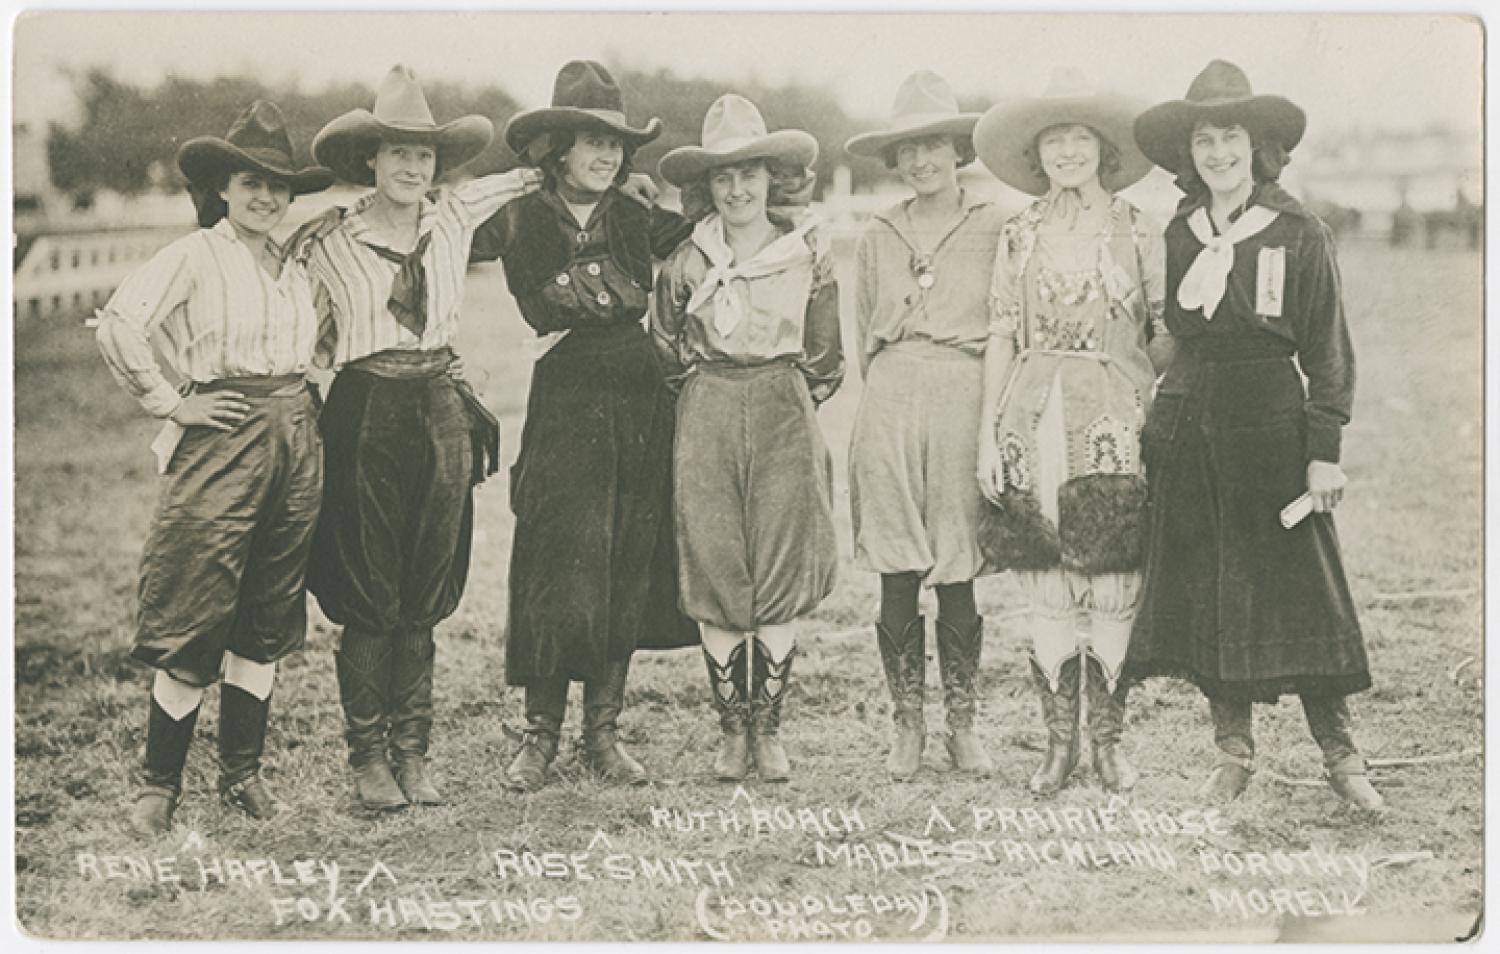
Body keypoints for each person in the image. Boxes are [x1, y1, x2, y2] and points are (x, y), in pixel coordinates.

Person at [1126, 60, 1382, 811]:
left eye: (1230, 137)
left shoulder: (1300, 231)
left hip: (1272, 427)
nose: (1217, 153)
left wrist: (1322, 451)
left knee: (1303, 594)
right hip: (1192, 428)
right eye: (1203, 139)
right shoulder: (1179, 233)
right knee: (1208, 592)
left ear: (1257, 145)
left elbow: (1329, 352)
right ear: (1189, 151)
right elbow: (1169, 337)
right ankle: (1232, 753)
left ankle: (1342, 756)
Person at [291, 64, 540, 811]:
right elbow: (295, 316)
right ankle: (367, 757)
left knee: (425, 587)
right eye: (396, 152)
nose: (410, 167)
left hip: (438, 406)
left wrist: (564, 156)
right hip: (365, 408)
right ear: (371, 159)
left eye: (423, 155)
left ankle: (414, 752)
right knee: (370, 589)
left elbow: (529, 180)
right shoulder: (329, 240)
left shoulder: (453, 216)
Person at [95, 101, 334, 837]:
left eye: (278, 185)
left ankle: (242, 774)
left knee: (267, 607)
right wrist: (173, 403)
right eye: (250, 181)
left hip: (295, 436)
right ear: (223, 188)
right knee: (196, 599)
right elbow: (119, 321)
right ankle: (159, 783)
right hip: (220, 436)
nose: (266, 195)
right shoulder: (197, 254)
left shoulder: (295, 261)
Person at [468, 60, 701, 792]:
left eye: (615, 144)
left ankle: (603, 733)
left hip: (637, 389)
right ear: (557, 147)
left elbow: (718, 226)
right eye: (588, 141)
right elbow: (441, 228)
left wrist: (662, 193)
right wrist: (513, 182)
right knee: (557, 559)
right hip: (566, 390)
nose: (604, 156)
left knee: (625, 556)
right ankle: (540, 736)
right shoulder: (519, 216)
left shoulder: (637, 215)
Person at [973, 68, 1170, 796]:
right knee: (1047, 582)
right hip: (1031, 415)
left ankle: (1107, 745)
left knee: (1113, 580)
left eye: (1077, 136)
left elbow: (1164, 336)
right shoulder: (1018, 232)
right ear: (1037, 153)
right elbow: (999, 332)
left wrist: (1152, 416)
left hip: (1115, 417)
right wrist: (987, 435)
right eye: (1052, 138)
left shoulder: (1137, 229)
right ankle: (1057, 747)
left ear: (1102, 147)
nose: (1065, 150)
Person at [652, 94, 843, 782]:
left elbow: (825, 354)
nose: (737, 189)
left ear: (772, 178)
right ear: (706, 186)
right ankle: (731, 729)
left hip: (783, 404)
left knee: (781, 560)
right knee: (717, 557)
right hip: (707, 405)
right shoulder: (687, 259)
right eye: (722, 178)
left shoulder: (806, 255)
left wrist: (784, 396)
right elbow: (667, 347)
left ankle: (770, 728)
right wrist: (712, 397)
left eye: (749, 173)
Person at [843, 71, 1005, 780]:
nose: (920, 161)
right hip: (893, 392)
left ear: (957, 148)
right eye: (907, 150)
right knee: (899, 563)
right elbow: (863, 335)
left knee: (959, 563)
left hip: (966, 394)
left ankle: (962, 723)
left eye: (933, 145)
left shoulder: (996, 223)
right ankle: (907, 723)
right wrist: (889, 387)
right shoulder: (880, 232)